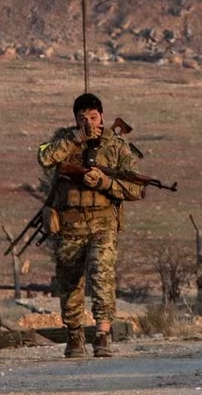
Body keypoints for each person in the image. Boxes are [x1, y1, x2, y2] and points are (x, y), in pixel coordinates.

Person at [36, 92, 144, 358]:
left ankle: (102, 333)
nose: (88, 122)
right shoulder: (64, 140)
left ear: (102, 117)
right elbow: (45, 158)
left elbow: (134, 188)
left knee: (101, 275)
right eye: (82, 118)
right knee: (69, 281)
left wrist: (105, 183)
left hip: (103, 222)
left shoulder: (116, 145)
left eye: (93, 118)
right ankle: (74, 336)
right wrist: (77, 138)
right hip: (70, 223)